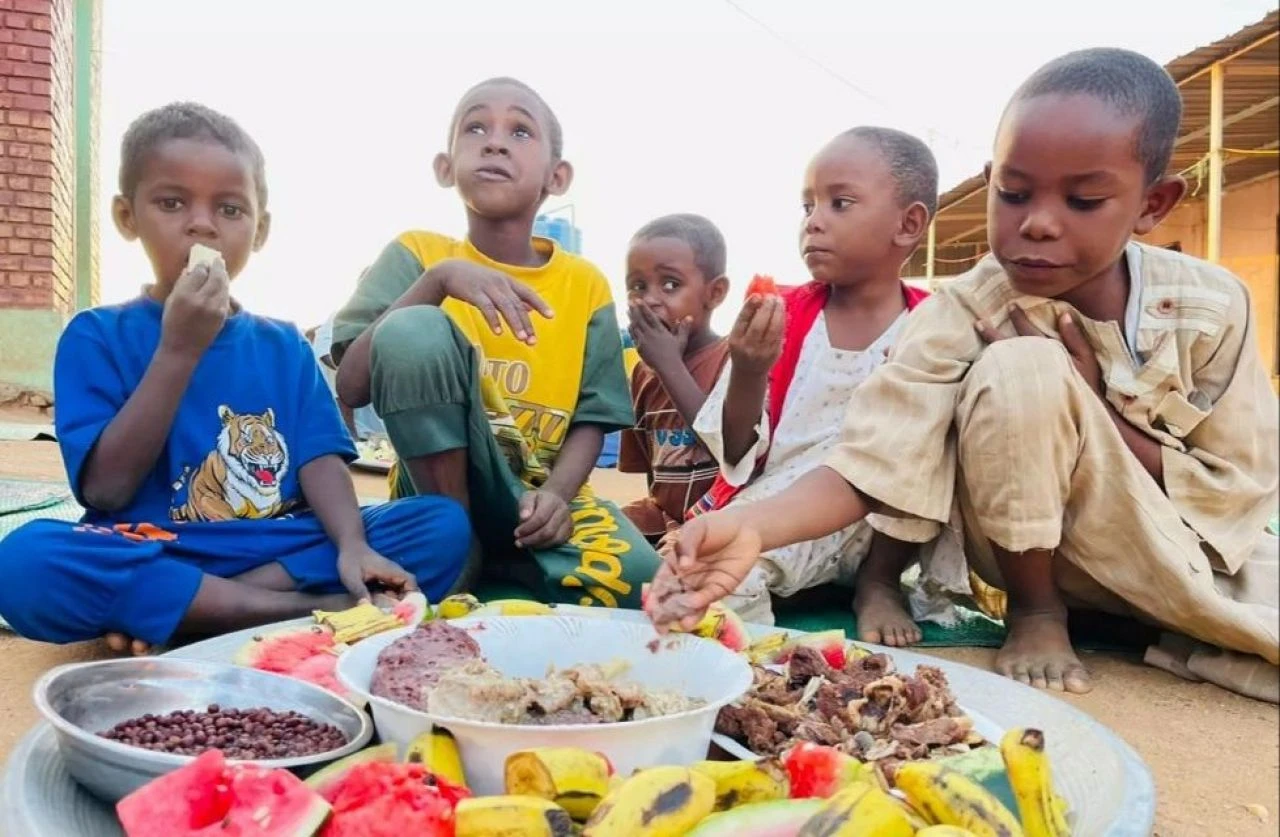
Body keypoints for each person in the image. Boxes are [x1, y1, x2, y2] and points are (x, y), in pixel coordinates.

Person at [654, 48, 1280, 702]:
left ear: (1153, 203)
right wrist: (753, 527)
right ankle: (1038, 612)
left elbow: (1238, 490)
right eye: (1013, 194)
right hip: (1043, 567)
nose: (1037, 222)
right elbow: (874, 461)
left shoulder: (1211, 307)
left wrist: (1095, 407)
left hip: (1176, 551)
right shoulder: (964, 310)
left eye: (1084, 200)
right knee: (1020, 364)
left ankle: (1133, 616)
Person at [0, 103, 470, 652]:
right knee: (23, 562)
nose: (202, 224)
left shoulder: (283, 344)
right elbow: (106, 489)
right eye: (171, 203)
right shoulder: (96, 335)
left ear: (259, 229)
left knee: (439, 526)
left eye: (229, 208)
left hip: (274, 546)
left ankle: (189, 614)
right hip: (153, 546)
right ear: (128, 217)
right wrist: (178, 350)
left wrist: (351, 545)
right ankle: (292, 612)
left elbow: (320, 459)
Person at [330, 78, 660, 608]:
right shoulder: (418, 254)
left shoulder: (585, 285)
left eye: (520, 131)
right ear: (445, 167)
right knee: (413, 329)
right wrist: (437, 282)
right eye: (476, 127)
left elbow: (593, 419)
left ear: (557, 176)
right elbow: (351, 385)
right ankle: (458, 544)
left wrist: (556, 497)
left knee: (640, 581)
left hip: (539, 495)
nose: (495, 143)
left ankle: (503, 557)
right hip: (433, 497)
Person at [681, 127, 969, 640]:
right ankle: (762, 666)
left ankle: (878, 584)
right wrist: (748, 368)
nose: (813, 221)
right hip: (786, 508)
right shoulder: (784, 313)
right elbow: (737, 453)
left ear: (908, 224)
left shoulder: (935, 326)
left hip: (887, 528)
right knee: (708, 584)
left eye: (840, 203)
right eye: (807, 205)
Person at [617, 214, 731, 542]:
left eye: (670, 284)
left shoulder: (734, 360)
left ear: (715, 293)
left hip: (723, 518)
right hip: (665, 519)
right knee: (587, 531)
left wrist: (669, 366)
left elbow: (732, 451)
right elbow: (653, 478)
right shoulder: (642, 373)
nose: (649, 299)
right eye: (637, 286)